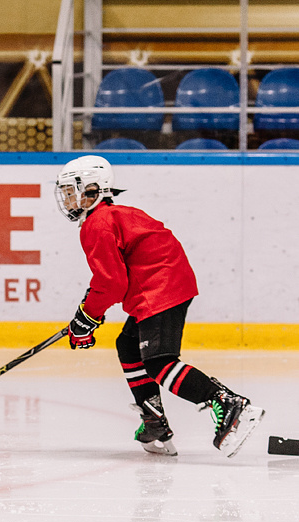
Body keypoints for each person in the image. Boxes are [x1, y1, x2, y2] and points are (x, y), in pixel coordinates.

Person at [54, 155, 264, 458]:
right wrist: (87, 312)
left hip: (159, 288)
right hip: (162, 283)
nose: (67, 199)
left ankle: (227, 402)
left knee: (158, 361)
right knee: (128, 346)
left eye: (71, 191)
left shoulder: (97, 224)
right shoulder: (113, 216)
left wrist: (87, 318)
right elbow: (111, 275)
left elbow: (112, 283)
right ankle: (153, 419)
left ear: (93, 189)